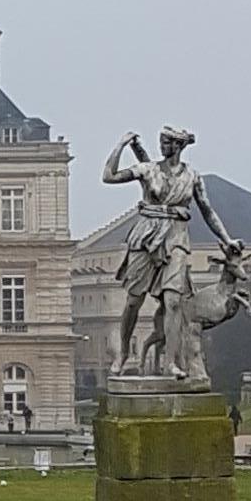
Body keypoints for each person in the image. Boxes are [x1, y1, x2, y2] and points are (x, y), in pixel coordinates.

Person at [103, 128, 241, 378]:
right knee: (134, 301)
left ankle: (171, 363)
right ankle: (122, 354)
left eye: (166, 142)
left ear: (178, 146)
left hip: (176, 238)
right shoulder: (148, 169)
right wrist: (121, 144)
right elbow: (109, 176)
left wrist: (226, 238)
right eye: (160, 142)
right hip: (146, 237)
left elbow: (207, 211)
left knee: (174, 302)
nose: (162, 146)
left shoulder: (192, 177)